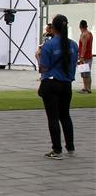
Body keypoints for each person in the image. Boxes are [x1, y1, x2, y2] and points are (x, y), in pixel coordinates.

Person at [39, 14, 77, 159]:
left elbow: (44, 67)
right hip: (66, 84)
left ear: (53, 28)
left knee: (53, 117)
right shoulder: (73, 45)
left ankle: (57, 149)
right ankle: (70, 146)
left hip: (51, 82)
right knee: (65, 116)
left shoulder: (49, 44)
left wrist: (38, 56)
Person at [78, 20, 92, 93]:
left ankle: (88, 89)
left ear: (80, 26)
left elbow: (84, 46)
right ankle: (85, 88)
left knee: (86, 74)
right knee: (84, 73)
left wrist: (82, 57)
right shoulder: (89, 33)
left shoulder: (84, 34)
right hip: (87, 56)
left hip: (85, 57)